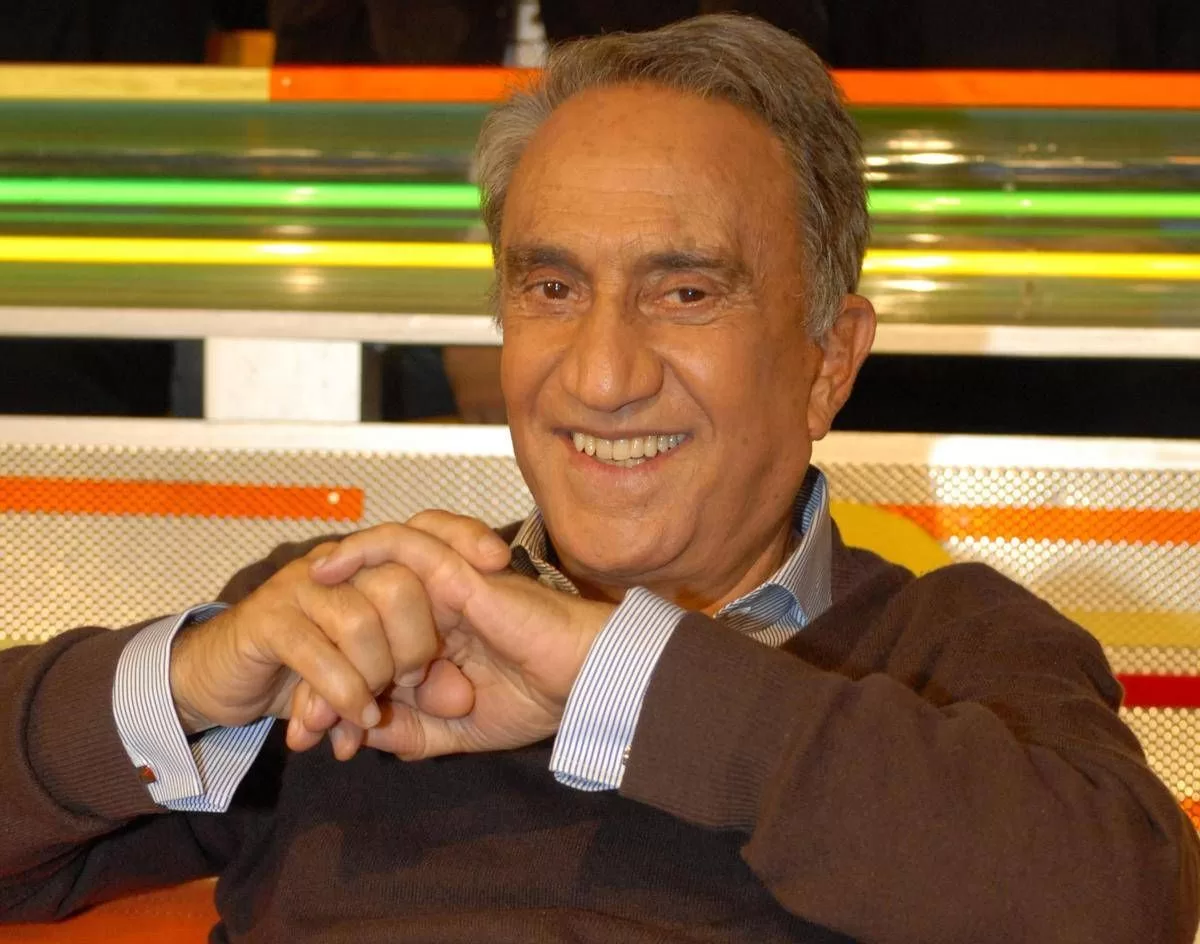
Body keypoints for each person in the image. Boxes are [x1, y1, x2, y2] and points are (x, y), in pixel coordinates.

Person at [1, 15, 1197, 943]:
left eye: (687, 291)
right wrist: (194, 675)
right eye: (552, 288)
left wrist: (616, 679)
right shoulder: (362, 620)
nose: (603, 374)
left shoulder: (953, 646)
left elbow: (1123, 905)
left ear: (828, 359)